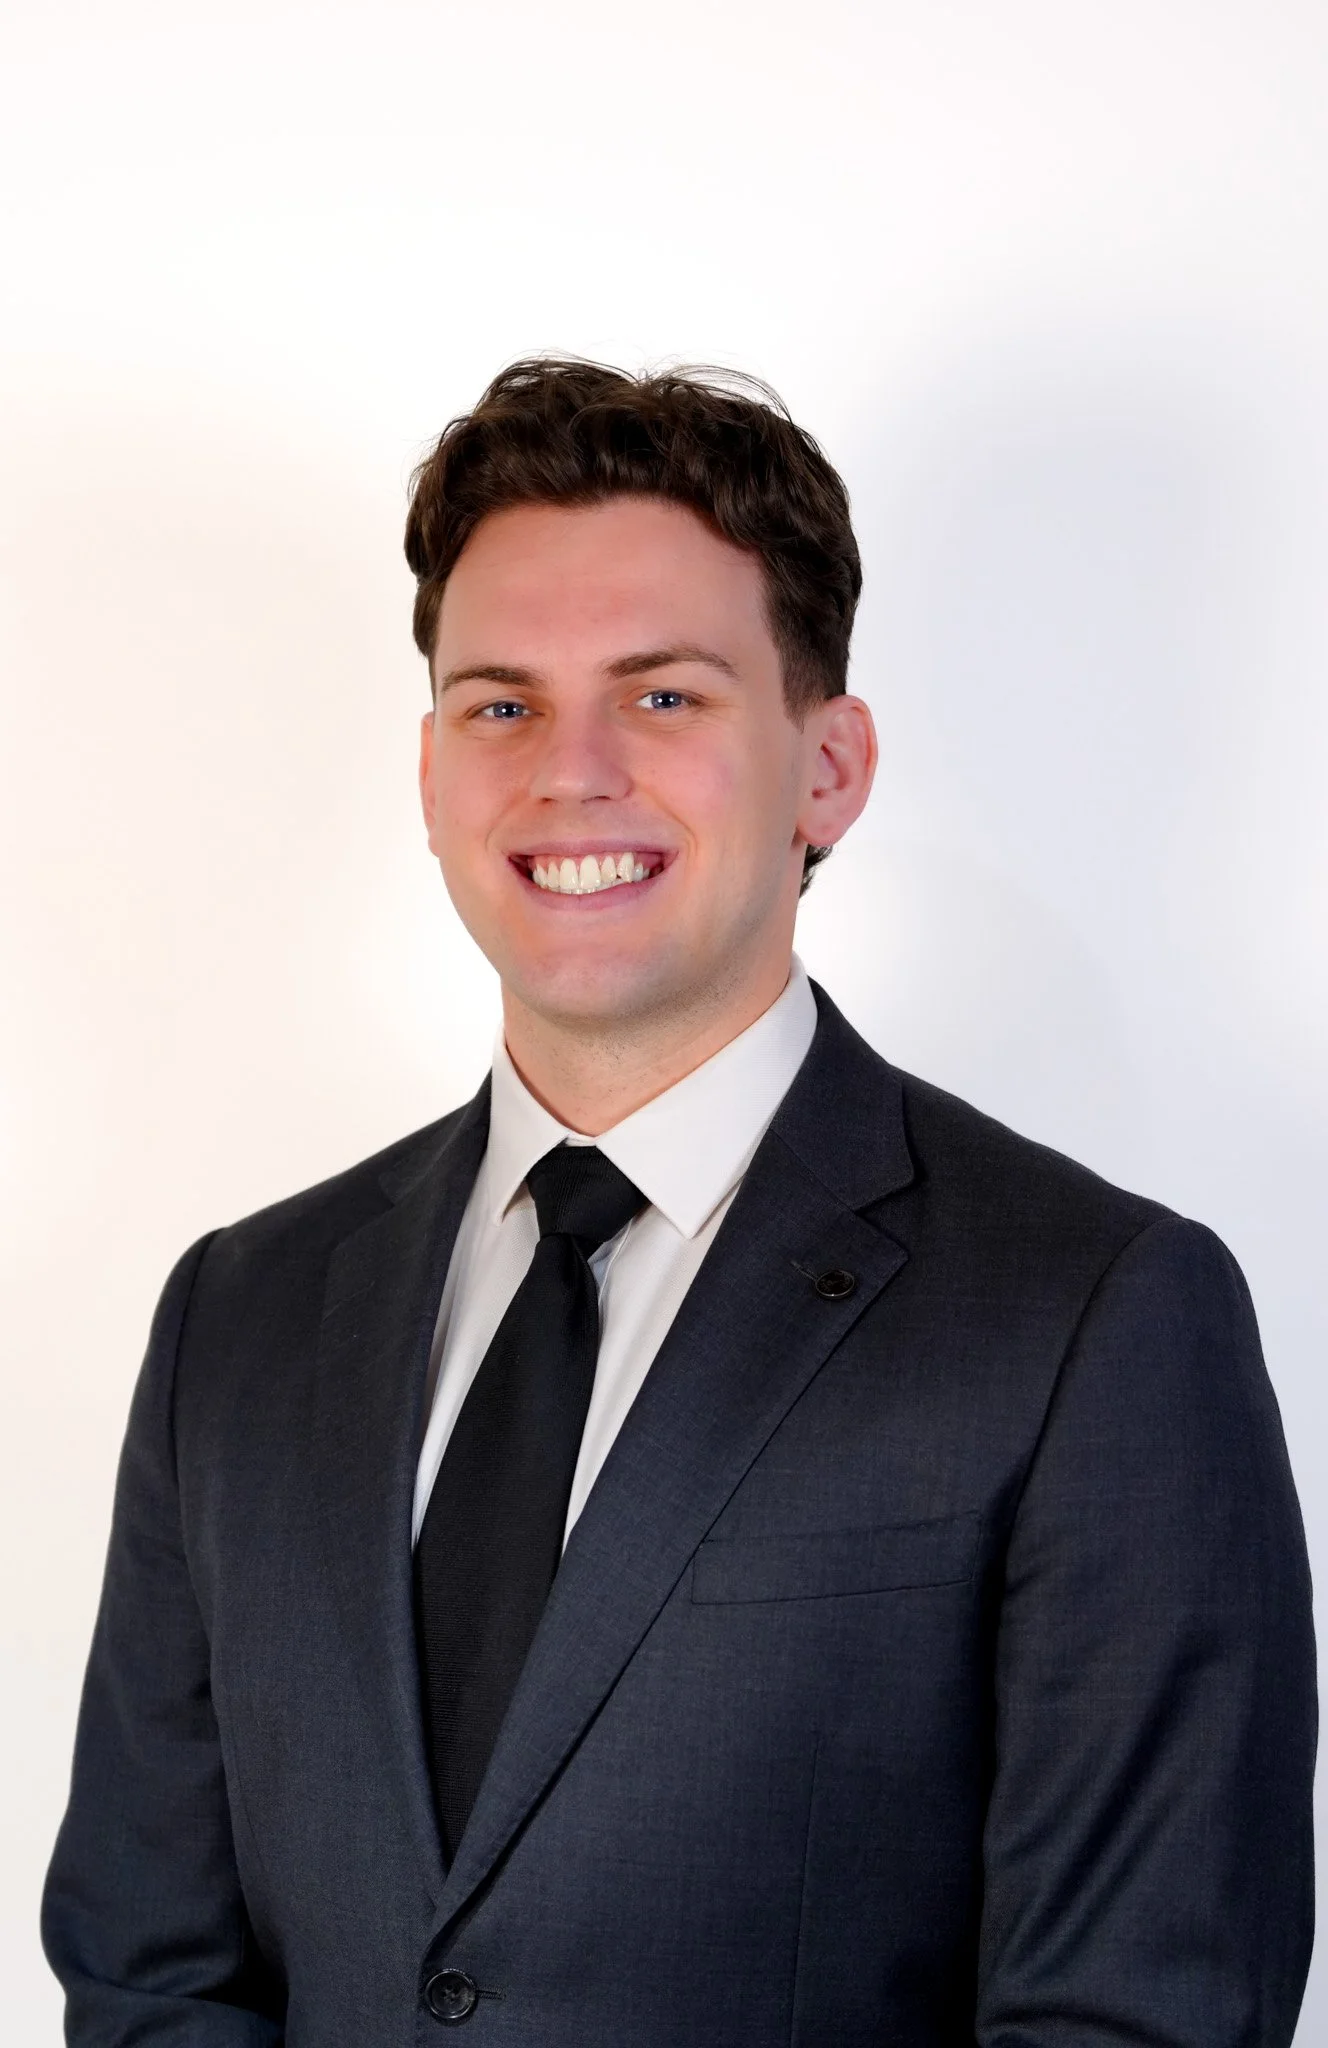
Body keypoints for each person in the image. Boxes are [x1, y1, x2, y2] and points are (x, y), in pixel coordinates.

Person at [43, 358, 1316, 2048]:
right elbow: (150, 1978)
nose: (570, 770)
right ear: (433, 775)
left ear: (829, 768)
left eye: (663, 699)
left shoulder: (1096, 1315)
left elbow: (1133, 2015)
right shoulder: (245, 1314)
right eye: (502, 704)